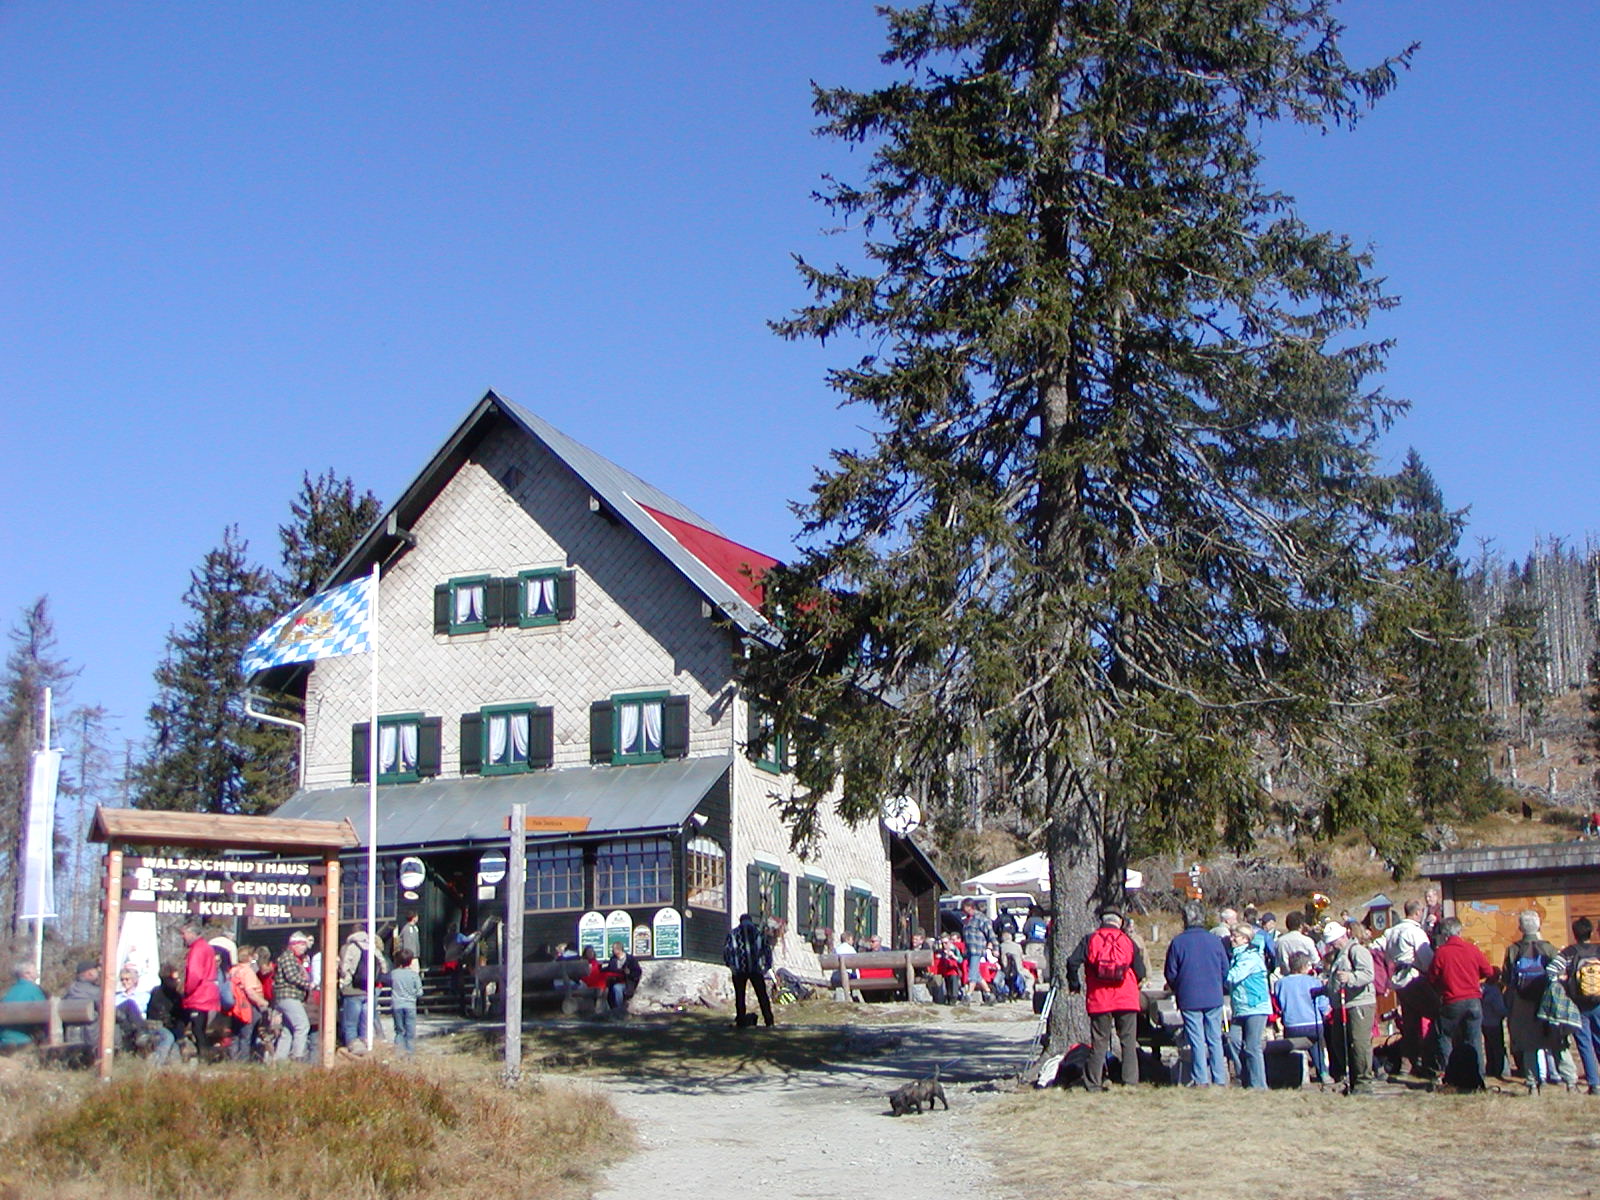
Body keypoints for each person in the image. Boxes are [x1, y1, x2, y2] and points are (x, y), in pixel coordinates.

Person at [1065, 905, 1146, 1090]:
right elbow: (1140, 971)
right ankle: (1130, 1082)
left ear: (1101, 921)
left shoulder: (1090, 939)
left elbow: (1072, 962)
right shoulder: (1128, 941)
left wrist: (1074, 984)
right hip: (1126, 998)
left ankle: (1093, 1083)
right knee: (1128, 1042)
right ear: (1120, 922)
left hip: (1099, 999)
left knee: (1099, 1042)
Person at [1502, 910, 1573, 1092]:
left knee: (1529, 1044)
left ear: (1520, 928)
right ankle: (1570, 1081)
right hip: (1547, 1000)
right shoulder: (1549, 948)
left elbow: (1507, 978)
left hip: (1523, 1002)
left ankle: (1533, 1083)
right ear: (1539, 926)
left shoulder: (1513, 950)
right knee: (1557, 1041)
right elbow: (1559, 973)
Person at [1421, 915, 1492, 1091]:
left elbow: (1431, 978)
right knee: (1474, 1040)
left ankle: (1447, 1075)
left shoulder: (1441, 953)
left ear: (1445, 935)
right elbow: (1488, 971)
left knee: (1444, 1037)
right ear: (1459, 932)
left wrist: (1441, 987)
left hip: (1451, 1000)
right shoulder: (1472, 949)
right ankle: (1478, 1079)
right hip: (1473, 1000)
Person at [1164, 901, 1230, 1087]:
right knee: (1215, 1038)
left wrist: (1179, 988)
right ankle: (1219, 1078)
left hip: (1189, 996)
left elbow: (1171, 973)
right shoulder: (1214, 941)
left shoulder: (1178, 942)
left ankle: (1201, 1079)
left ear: (1185, 919)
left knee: (1196, 1039)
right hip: (1213, 996)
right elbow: (1225, 970)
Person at [1379, 899, 1437, 1078]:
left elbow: (1386, 955)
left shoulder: (1392, 932)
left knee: (1411, 1023)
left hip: (1399, 981)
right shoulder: (1415, 932)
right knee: (1438, 1015)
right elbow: (1427, 960)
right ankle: (1430, 1060)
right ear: (1418, 912)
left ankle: (1407, 1063)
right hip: (1414, 979)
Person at [1322, 920, 1376, 1094]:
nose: (1332, 945)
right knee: (1340, 1041)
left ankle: (1363, 1081)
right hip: (1343, 1005)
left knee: (1359, 1043)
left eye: (1333, 941)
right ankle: (1350, 1078)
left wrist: (1350, 978)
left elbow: (1368, 974)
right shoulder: (1339, 954)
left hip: (1359, 1003)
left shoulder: (1357, 951)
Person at [1554, 915, 1600, 1095]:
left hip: (1578, 1004)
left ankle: (1594, 1083)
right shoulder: (1598, 950)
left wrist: (1562, 983)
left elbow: (1552, 970)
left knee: (1584, 1043)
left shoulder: (1568, 953)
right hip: (1598, 1001)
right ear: (1591, 932)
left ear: (1574, 934)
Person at [1226, 923, 1272, 1089]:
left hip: (1256, 1007)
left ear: (1245, 939)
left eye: (1235, 936)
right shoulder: (1235, 957)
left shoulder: (1251, 957)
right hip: (1240, 1008)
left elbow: (1233, 977)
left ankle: (1259, 1085)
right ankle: (1243, 1078)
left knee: (1252, 1046)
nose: (1231, 939)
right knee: (1233, 1040)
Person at [1274, 951, 1330, 1084]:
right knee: (1317, 1047)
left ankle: (1295, 1075)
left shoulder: (1280, 983)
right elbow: (1323, 1004)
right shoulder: (1314, 982)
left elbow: (1279, 1003)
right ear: (1305, 966)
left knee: (1293, 1050)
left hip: (1291, 1024)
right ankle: (1323, 1072)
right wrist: (1326, 1012)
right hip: (1313, 1023)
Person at [338, 929, 389, 1050]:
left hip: (352, 990)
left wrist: (344, 981)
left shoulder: (349, 947)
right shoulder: (372, 946)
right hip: (368, 990)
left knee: (350, 1023)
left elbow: (344, 968)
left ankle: (353, 1045)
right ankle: (365, 1042)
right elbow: (384, 966)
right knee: (365, 1021)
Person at [723, 912, 774, 1028]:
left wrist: (731, 967)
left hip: (739, 970)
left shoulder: (732, 934)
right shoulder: (759, 933)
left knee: (740, 997)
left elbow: (727, 952)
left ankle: (741, 1021)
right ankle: (769, 1020)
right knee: (762, 996)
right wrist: (766, 967)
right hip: (756, 969)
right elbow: (767, 951)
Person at [273, 930, 315, 1062]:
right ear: (294, 945)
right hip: (288, 996)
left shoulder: (295, 959)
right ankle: (298, 1056)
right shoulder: (288, 958)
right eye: (302, 945)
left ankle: (279, 1060)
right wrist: (308, 984)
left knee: (288, 1030)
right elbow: (292, 977)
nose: (304, 948)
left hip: (289, 997)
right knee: (302, 1026)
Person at [179, 924, 220, 1056]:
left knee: (197, 1029)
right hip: (208, 992)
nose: (182, 937)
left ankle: (204, 1056)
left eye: (184, 934)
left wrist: (187, 990)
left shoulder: (197, 949)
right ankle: (203, 1055)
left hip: (199, 995)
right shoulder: (206, 947)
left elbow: (194, 973)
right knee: (200, 1028)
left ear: (192, 933)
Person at [227, 942, 269, 1061]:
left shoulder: (233, 970)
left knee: (236, 1034)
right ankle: (244, 1061)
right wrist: (262, 1002)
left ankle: (233, 1059)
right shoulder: (248, 971)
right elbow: (250, 991)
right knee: (247, 1035)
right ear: (249, 957)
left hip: (236, 1006)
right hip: (248, 1006)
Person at [145, 962, 185, 1065]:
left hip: (171, 1028)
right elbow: (156, 1014)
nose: (177, 981)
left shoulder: (177, 996)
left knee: (175, 1046)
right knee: (168, 1037)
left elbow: (180, 1017)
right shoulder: (157, 993)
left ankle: (175, 1071)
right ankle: (156, 1064)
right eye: (174, 979)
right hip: (155, 1026)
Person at [0, 962, 47, 1051]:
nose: (38, 973)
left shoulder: (10, 991)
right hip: (21, 1039)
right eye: (35, 971)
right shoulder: (33, 990)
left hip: (3, 1038)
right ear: (27, 974)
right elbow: (45, 1013)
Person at [959, 899, 997, 1004]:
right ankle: (989, 994)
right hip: (969, 950)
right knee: (976, 973)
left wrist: (995, 948)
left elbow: (991, 934)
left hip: (977, 949)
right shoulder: (967, 920)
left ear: (969, 907)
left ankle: (968, 996)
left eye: (964, 908)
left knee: (972, 973)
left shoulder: (981, 919)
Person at [61, 960, 102, 1047]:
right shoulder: (96, 992)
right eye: (96, 969)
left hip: (71, 1036)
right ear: (89, 973)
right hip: (92, 1038)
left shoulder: (70, 990)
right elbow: (109, 1011)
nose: (98, 972)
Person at [389, 949, 422, 1054]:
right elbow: (419, 992)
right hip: (410, 1005)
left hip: (397, 1004)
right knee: (410, 1033)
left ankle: (398, 1053)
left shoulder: (393, 974)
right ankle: (409, 1054)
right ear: (411, 961)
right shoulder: (414, 975)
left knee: (399, 1031)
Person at [602, 941, 643, 1012]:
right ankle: (610, 1009)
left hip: (628, 983)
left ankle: (619, 1009)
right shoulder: (613, 959)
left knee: (617, 988)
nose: (612, 951)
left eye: (613, 949)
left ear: (618, 950)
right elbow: (609, 969)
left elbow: (638, 972)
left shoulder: (630, 959)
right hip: (615, 981)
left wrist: (629, 973)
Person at [1274, 911, 1316, 975]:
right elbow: (1315, 960)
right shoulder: (1307, 941)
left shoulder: (1280, 941)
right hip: (1306, 976)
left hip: (1286, 977)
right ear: (1301, 925)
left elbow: (1279, 962)